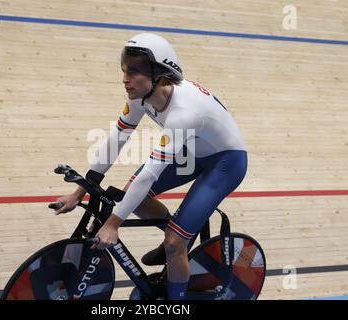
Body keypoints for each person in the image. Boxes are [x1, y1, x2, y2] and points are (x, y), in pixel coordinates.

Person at [55, 33, 247, 300]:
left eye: (134, 72)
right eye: (124, 70)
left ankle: (175, 299)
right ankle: (183, 230)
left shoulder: (184, 112)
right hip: (191, 151)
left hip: (225, 162)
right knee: (132, 197)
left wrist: (113, 223)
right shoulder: (139, 96)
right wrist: (80, 191)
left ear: (160, 76)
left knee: (172, 243)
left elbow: (150, 173)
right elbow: (115, 141)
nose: (125, 78)